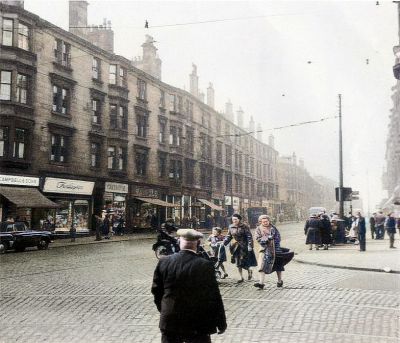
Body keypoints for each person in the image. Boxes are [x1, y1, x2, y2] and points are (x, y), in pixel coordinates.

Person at [151, 228, 227, 343]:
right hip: (197, 322)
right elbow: (213, 297)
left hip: (170, 319)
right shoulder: (205, 265)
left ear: (179, 242)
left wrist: (164, 309)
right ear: (198, 243)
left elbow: (156, 290)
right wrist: (221, 322)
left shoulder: (164, 262)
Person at [254, 215, 293, 289]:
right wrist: (267, 239)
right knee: (261, 266)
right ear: (260, 222)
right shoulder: (258, 229)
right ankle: (261, 283)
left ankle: (279, 281)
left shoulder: (273, 228)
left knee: (278, 266)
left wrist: (275, 243)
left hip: (275, 250)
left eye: (266, 221)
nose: (265, 223)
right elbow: (257, 239)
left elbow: (278, 238)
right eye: (263, 222)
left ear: (269, 221)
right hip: (264, 250)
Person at [223, 213, 257, 283]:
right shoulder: (231, 226)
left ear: (239, 219)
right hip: (235, 247)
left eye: (235, 219)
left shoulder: (244, 226)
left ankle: (249, 270)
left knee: (244, 261)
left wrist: (250, 246)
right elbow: (229, 236)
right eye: (233, 219)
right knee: (237, 262)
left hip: (244, 246)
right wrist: (224, 242)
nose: (234, 221)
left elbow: (249, 237)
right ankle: (241, 277)